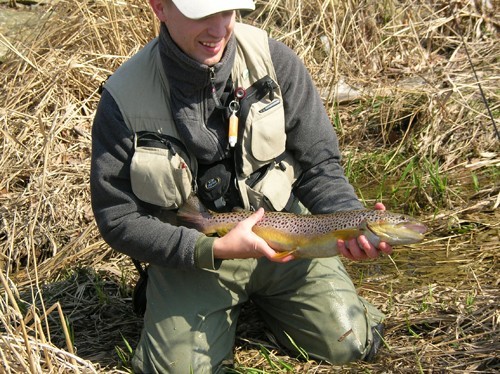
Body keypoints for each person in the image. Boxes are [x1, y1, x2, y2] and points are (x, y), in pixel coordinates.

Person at [90, 0, 393, 372]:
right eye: (202, 14)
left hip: (290, 239)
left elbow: (320, 164)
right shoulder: (123, 98)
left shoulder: (275, 61)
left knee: (351, 343)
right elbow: (118, 218)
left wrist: (348, 221)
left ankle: (269, 301)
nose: (219, 29)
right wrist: (211, 249)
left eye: (229, 11)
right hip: (195, 255)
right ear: (160, 7)